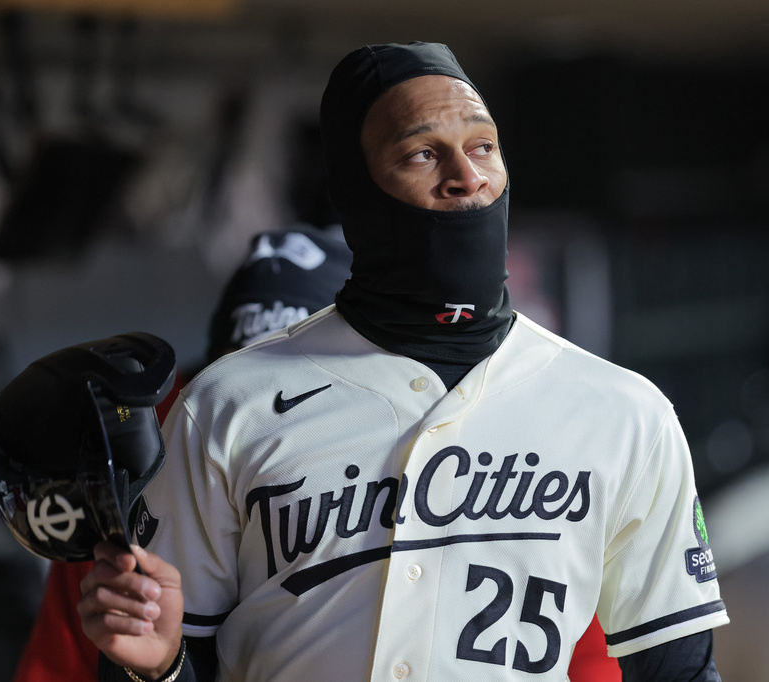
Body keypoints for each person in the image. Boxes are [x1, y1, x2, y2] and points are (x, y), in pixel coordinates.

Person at [78, 42, 729, 681]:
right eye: (422, 153)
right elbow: (159, 664)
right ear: (358, 191)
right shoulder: (225, 408)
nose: (467, 177)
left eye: (482, 147)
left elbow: (680, 672)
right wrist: (158, 668)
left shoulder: (623, 413)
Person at [11, 226, 353, 682]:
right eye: (237, 392)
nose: (259, 420)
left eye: (295, 395)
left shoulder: (414, 487)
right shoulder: (124, 518)